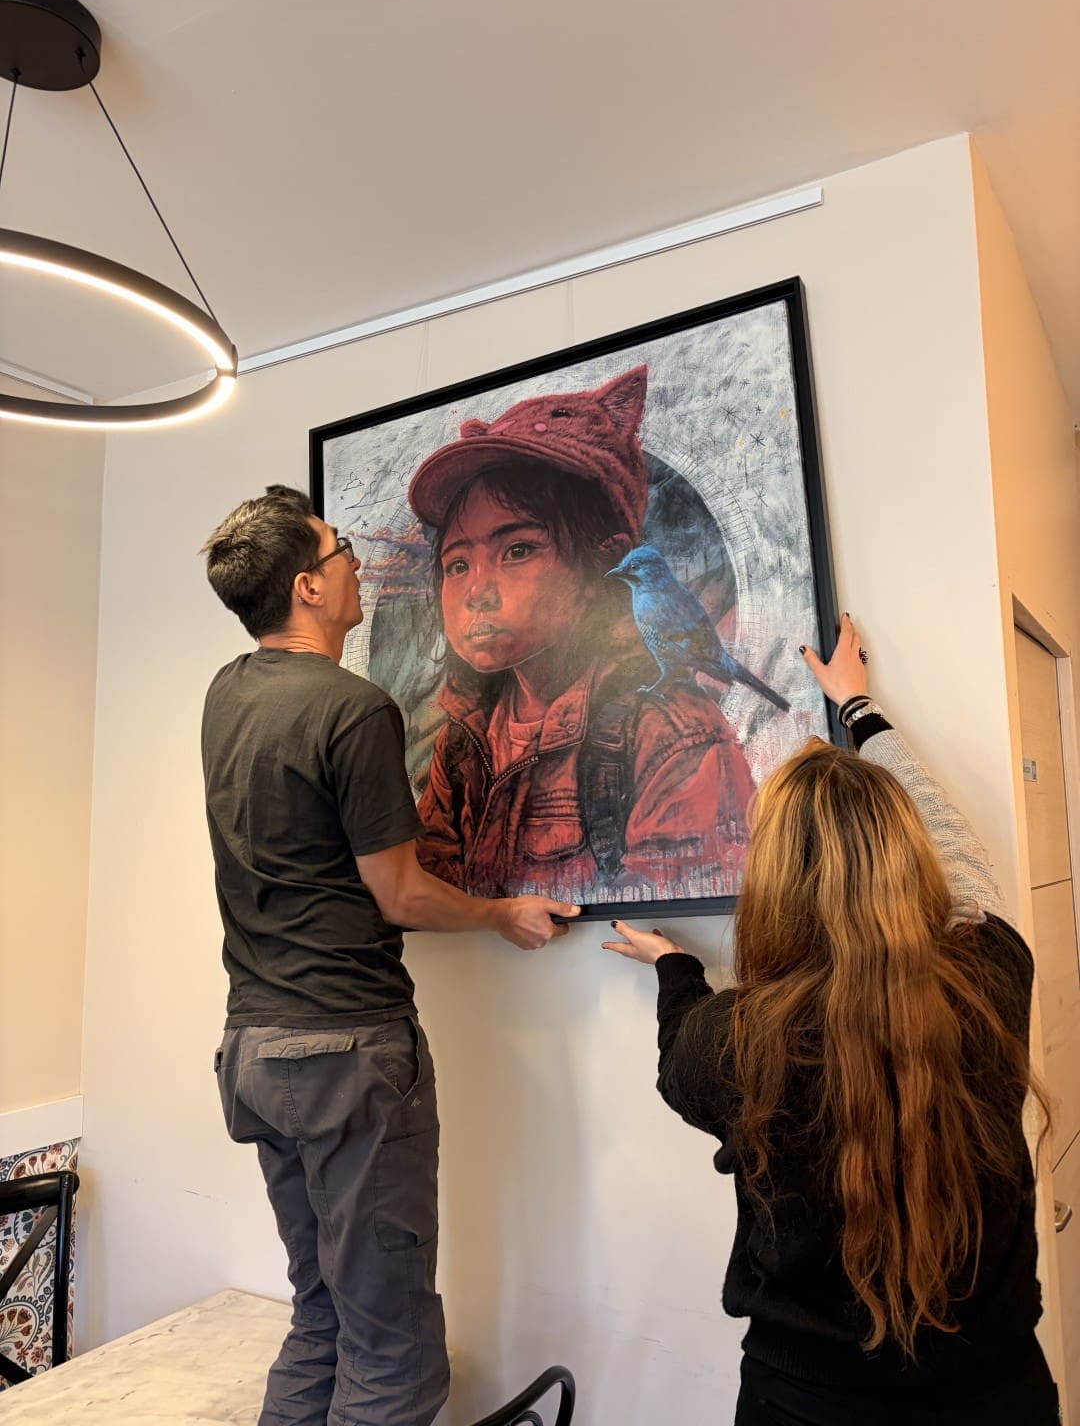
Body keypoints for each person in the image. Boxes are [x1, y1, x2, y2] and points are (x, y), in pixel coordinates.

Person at [603, 614, 1058, 1426]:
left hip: (802, 1406)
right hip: (1000, 1397)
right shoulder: (993, 971)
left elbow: (680, 1055)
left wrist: (675, 966)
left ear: (773, 882)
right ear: (905, 855)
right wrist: (858, 710)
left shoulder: (734, 1040)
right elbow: (959, 856)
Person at [200, 484, 578, 1426]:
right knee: (393, 1353)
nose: (356, 563)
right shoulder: (353, 708)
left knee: (321, 1316)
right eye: (339, 552)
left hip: (254, 1051)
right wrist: (500, 914)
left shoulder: (226, 694)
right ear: (307, 587)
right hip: (344, 1054)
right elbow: (399, 893)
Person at [407, 364, 770, 904]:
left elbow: (682, 910)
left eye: (517, 550)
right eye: (457, 565)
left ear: (603, 563)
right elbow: (428, 893)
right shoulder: (463, 741)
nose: (476, 591)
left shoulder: (671, 736)